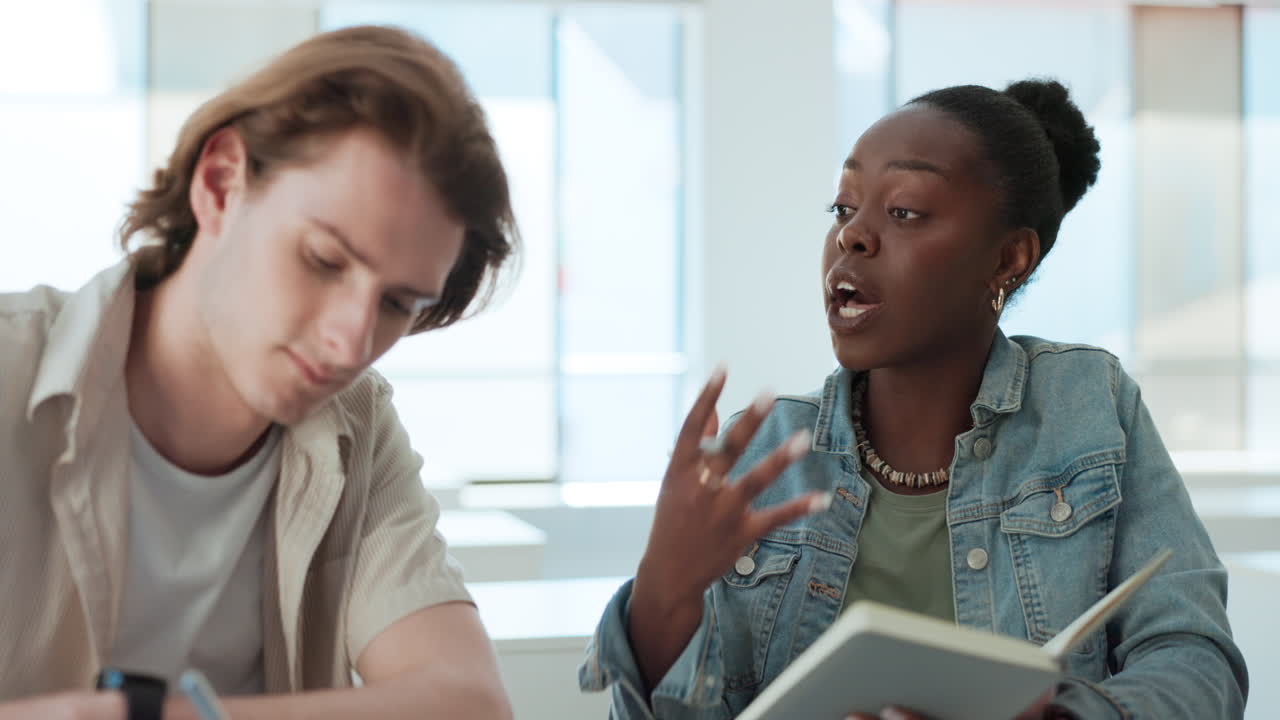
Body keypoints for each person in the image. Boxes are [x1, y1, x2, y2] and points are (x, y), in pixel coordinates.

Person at [579, 78, 1248, 719]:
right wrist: (662, 598)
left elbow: (1197, 662)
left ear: (1009, 258)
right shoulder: (767, 453)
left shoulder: (1090, 407)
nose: (852, 235)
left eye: (904, 211)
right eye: (843, 208)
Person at [0, 25, 518, 720]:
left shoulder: (358, 429)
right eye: (323, 261)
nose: (350, 341)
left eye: (397, 303)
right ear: (219, 186)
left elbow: (469, 705)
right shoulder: (12, 372)